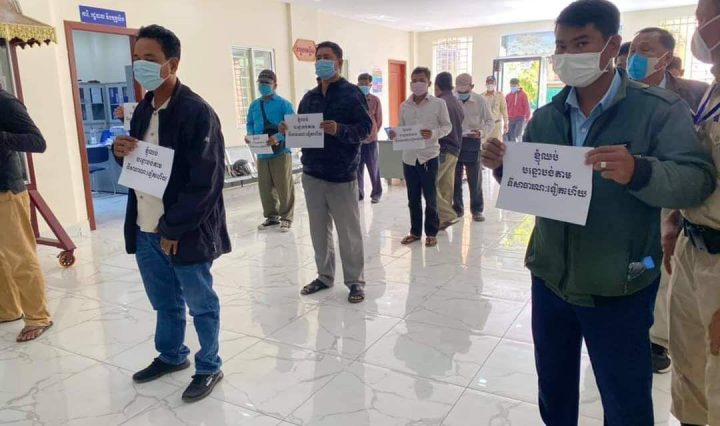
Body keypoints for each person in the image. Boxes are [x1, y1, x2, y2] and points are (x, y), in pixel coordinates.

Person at [481, 0, 716, 424]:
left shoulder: (658, 110)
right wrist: (503, 169)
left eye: (581, 43)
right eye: (561, 46)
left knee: (625, 397)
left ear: (611, 46)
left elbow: (696, 180)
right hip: (550, 275)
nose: (568, 55)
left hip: (620, 281)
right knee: (554, 389)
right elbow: (536, 187)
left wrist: (639, 171)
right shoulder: (546, 118)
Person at [112, 25, 231, 403]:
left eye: (149, 59)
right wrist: (120, 152)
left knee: (201, 303)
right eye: (136, 59)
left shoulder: (197, 112)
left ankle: (209, 365)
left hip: (183, 230)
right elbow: (141, 168)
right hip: (145, 226)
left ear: (172, 64)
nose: (140, 66)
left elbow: (206, 182)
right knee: (164, 301)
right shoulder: (142, 110)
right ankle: (172, 355)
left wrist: (174, 228)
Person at [628, 26, 710, 375]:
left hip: (673, 193)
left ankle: (655, 340)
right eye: (633, 49)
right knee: (637, 260)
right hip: (628, 191)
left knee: (663, 266)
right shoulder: (619, 91)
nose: (635, 57)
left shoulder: (695, 93)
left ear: (665, 57)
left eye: (645, 49)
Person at [662, 0, 720, 423]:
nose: (698, 28)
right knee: (690, 371)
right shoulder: (712, 88)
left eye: (704, 18)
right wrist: (675, 219)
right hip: (692, 244)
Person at [289, 41, 372, 304]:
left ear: (339, 62)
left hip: (341, 175)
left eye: (327, 57)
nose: (321, 61)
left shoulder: (352, 94)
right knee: (318, 230)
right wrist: (288, 130)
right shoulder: (309, 97)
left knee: (348, 232)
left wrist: (340, 129)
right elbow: (300, 129)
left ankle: (355, 281)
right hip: (312, 174)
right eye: (318, 57)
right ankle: (324, 276)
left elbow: (365, 129)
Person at [0, 90, 52, 343]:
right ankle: (8, 310)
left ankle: (38, 317)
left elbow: (37, 142)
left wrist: (2, 137)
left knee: (20, 257)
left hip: (6, 191)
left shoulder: (5, 102)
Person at [390, 67, 451, 247]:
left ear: (429, 83)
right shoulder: (404, 105)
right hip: (409, 157)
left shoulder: (438, 104)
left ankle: (431, 232)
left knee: (430, 198)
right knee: (412, 198)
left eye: (421, 80)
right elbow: (402, 126)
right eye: (414, 80)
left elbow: (447, 127)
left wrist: (433, 133)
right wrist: (395, 134)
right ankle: (415, 232)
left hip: (429, 156)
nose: (417, 83)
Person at [246, 69, 296, 232]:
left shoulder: (284, 104)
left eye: (267, 83)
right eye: (261, 82)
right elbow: (250, 123)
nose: (263, 85)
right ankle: (271, 216)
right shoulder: (254, 105)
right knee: (265, 187)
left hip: (281, 151)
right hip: (262, 151)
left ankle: (286, 217)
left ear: (275, 85)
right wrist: (249, 135)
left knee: (283, 185)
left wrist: (278, 137)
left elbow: (293, 125)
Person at [629, 27, 709, 111]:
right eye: (632, 51)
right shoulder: (621, 92)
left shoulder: (698, 92)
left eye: (644, 49)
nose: (635, 56)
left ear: (667, 57)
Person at [455, 73, 495, 222]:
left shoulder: (480, 101)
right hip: (455, 142)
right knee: (455, 180)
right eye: (459, 91)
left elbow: (490, 121)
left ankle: (477, 210)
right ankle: (457, 209)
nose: (462, 94)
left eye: (465, 91)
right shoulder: (452, 100)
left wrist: (481, 132)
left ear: (472, 87)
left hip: (473, 142)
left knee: (475, 179)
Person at [434, 72, 464, 230]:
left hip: (443, 148)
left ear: (436, 86)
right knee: (445, 184)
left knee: (429, 183)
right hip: (455, 148)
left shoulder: (440, 103)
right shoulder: (456, 102)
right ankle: (441, 220)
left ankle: (446, 215)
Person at [357, 72, 383, 204]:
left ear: (370, 85)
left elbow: (379, 120)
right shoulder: (354, 99)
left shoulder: (375, 100)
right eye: (360, 84)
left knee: (373, 168)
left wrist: (372, 133)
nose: (363, 86)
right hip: (357, 141)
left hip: (371, 140)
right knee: (358, 168)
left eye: (365, 84)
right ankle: (359, 193)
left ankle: (376, 193)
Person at [481, 75, 509, 141]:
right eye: (488, 83)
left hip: (496, 124)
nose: (490, 84)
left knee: (497, 144)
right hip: (485, 126)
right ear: (486, 84)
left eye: (491, 83)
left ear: (495, 84)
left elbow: (504, 110)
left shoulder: (499, 95)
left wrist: (505, 123)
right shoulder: (481, 96)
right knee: (485, 144)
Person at [504, 78, 531, 142]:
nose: (513, 87)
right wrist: (505, 118)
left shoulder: (523, 95)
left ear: (518, 85)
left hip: (520, 118)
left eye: (514, 86)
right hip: (510, 118)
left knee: (518, 135)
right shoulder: (508, 96)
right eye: (511, 86)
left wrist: (527, 118)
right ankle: (512, 147)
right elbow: (505, 108)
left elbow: (526, 106)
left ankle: (519, 146)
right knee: (511, 136)